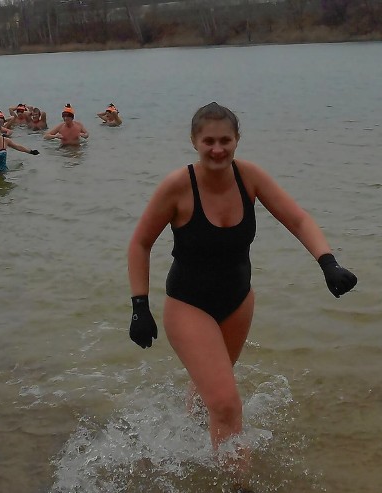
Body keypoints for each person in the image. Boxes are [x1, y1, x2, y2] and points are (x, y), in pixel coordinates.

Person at [127, 102, 357, 460]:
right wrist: (139, 306)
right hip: (188, 305)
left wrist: (328, 263)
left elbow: (297, 219)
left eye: (225, 140)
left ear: (237, 140)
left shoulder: (249, 177)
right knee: (228, 405)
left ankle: (195, 441)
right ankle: (238, 484)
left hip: (238, 302)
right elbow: (140, 244)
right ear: (194, 141)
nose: (217, 149)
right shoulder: (177, 186)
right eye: (209, 141)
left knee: (214, 398)